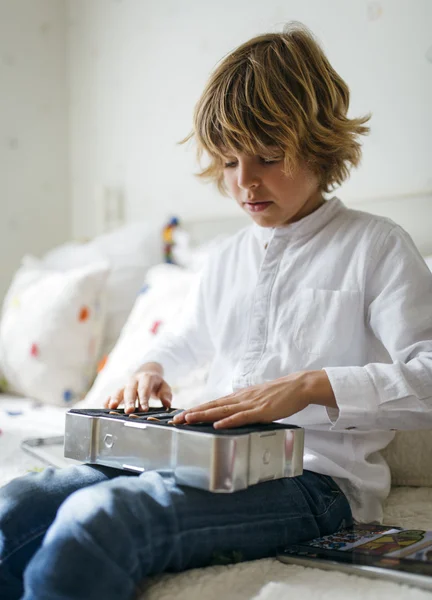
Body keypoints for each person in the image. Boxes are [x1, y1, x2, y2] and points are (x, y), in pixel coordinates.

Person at [1, 21, 431, 600]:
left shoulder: (376, 246)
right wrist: (152, 367)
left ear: (321, 142)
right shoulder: (229, 256)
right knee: (20, 503)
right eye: (228, 161)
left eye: (267, 156)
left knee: (100, 522)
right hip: (207, 456)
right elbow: (187, 340)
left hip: (314, 482)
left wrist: (311, 386)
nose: (244, 182)